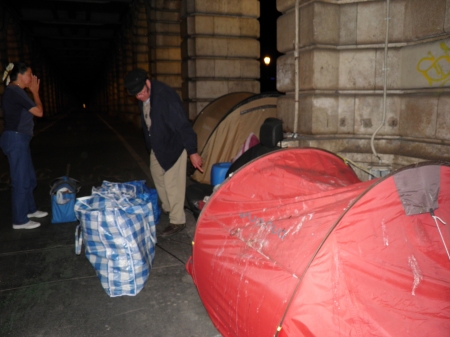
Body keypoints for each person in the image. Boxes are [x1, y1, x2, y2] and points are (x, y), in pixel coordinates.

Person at [124, 69, 203, 237]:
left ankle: (177, 221)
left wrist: (192, 152)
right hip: (158, 145)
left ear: (147, 82)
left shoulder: (166, 96)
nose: (140, 97)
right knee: (157, 175)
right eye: (136, 95)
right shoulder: (142, 95)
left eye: (142, 93)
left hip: (174, 144)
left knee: (171, 182)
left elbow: (183, 125)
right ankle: (169, 208)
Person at [0, 62, 48, 229]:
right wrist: (35, 92)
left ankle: (30, 210)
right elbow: (39, 112)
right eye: (29, 74)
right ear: (20, 76)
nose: (32, 78)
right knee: (20, 180)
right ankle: (19, 220)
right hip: (15, 139)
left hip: (20, 139)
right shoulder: (15, 90)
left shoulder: (16, 92)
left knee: (29, 178)